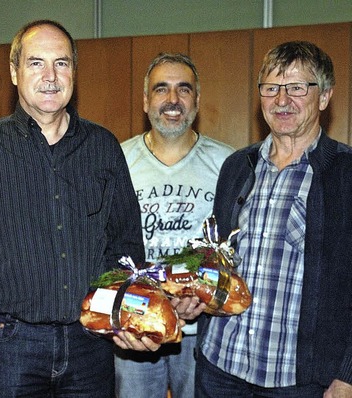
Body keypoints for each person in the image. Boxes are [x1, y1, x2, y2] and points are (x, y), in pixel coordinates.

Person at [0, 19, 156, 398]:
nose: (50, 76)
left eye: (61, 63)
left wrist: (130, 311)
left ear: (74, 72)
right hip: (9, 348)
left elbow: (125, 245)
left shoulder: (103, 147)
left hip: (91, 343)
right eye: (35, 63)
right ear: (14, 72)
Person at [195, 41, 352, 397]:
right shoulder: (237, 166)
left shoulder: (345, 174)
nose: (282, 100)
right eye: (271, 88)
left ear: (324, 97)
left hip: (298, 382)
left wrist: (348, 376)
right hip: (220, 367)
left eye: (297, 87)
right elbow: (217, 256)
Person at [116, 53, 233, 398]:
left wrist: (199, 298)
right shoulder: (117, 160)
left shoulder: (229, 163)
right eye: (161, 89)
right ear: (145, 100)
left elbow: (237, 248)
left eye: (183, 89)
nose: (172, 100)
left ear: (197, 99)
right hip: (136, 329)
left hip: (205, 333)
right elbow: (104, 245)